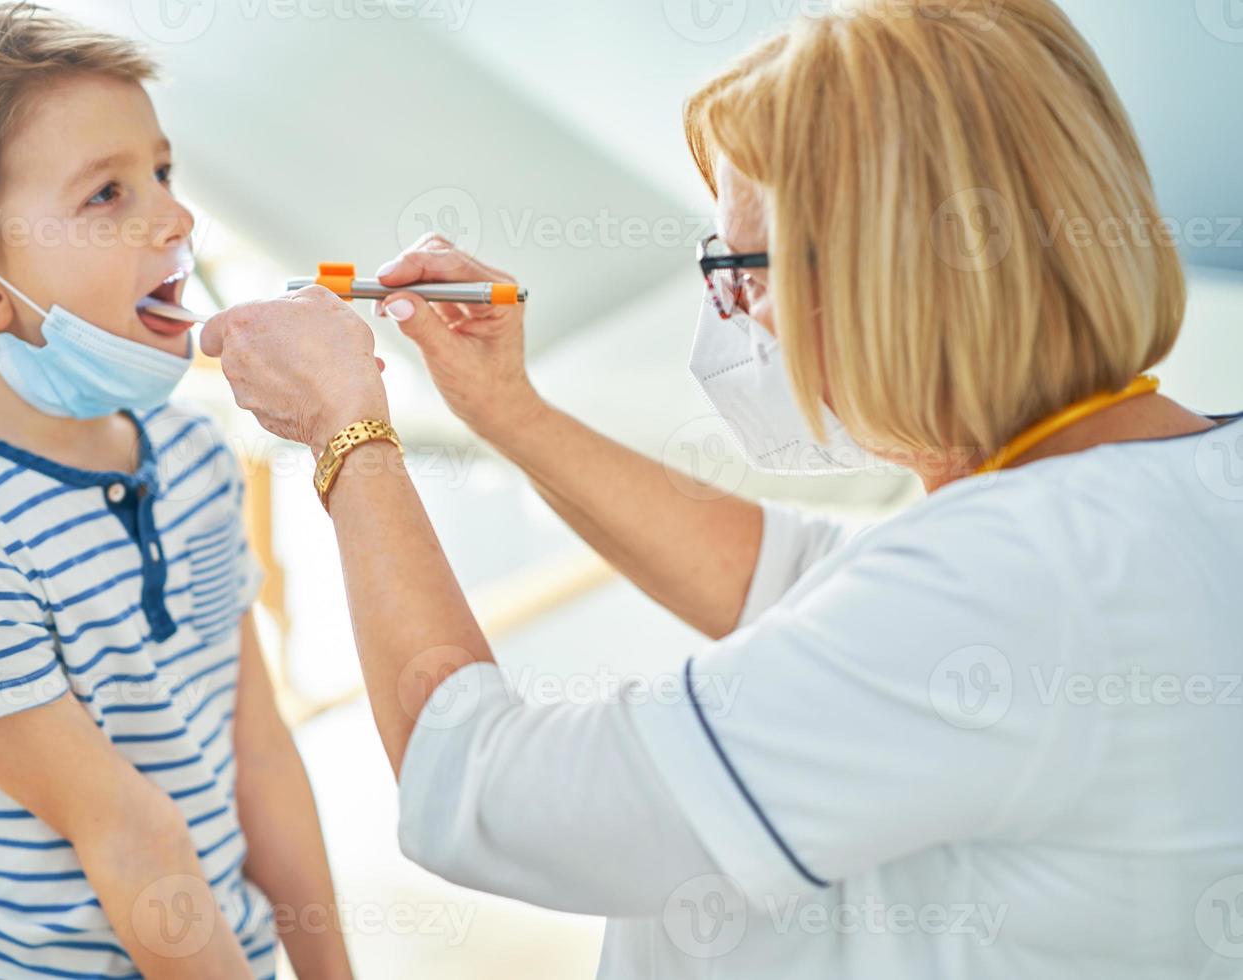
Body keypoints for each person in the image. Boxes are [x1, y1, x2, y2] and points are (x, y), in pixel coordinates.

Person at [198, 0, 1243, 976]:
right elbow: (796, 578)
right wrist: (504, 407)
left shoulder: (1008, 582)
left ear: (887, 278)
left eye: (745, 267)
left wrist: (350, 433)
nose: (741, 314)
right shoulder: (1167, 484)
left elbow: (491, 792)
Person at [0, 5, 351, 978]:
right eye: (107, 194)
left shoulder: (191, 455)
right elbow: (131, 837)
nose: (175, 215)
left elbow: (261, 751)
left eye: (161, 171)